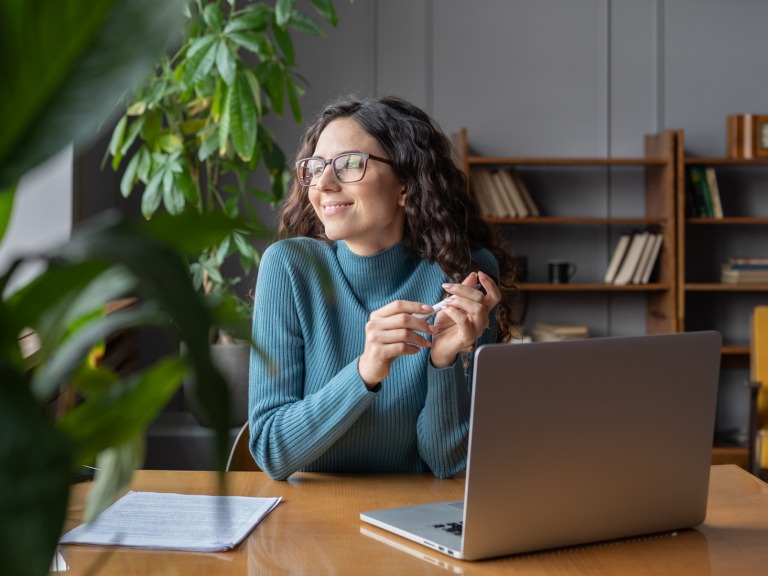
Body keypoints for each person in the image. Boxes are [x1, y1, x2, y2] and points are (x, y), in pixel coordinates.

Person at [248, 95, 518, 480]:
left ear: (405, 185)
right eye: (316, 167)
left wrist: (443, 362)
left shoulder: (465, 275)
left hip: (413, 516)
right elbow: (271, 450)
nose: (324, 184)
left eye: (350, 164)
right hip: (308, 516)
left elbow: (449, 462)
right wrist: (365, 370)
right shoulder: (289, 268)